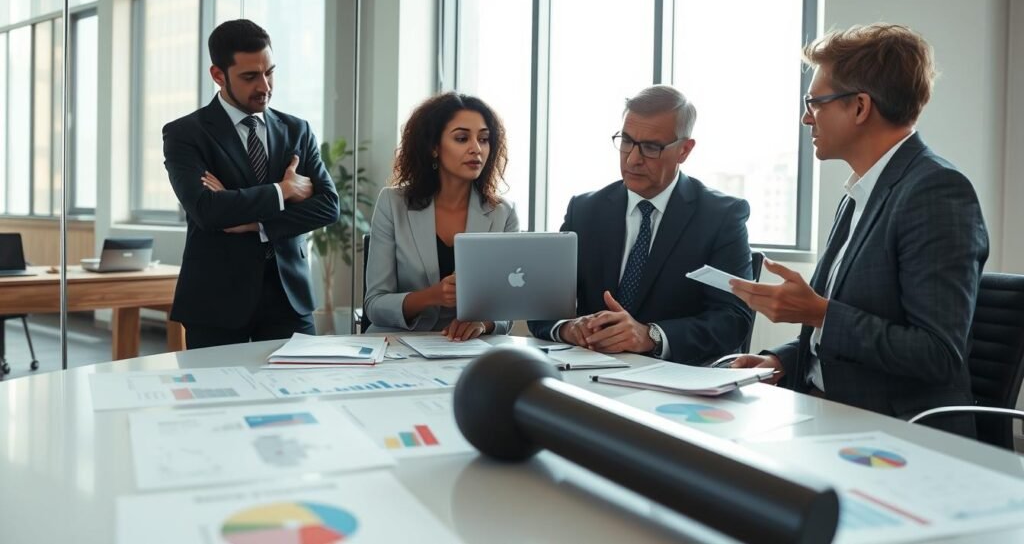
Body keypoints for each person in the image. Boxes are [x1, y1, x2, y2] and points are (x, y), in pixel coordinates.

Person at [730, 24, 988, 437]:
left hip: (895, 435)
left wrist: (818, 312)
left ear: (860, 107)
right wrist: (779, 361)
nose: (805, 116)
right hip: (827, 414)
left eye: (815, 102)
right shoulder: (862, 191)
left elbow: (937, 353)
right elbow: (836, 338)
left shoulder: (935, 192)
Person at [528, 85, 753, 365]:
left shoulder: (721, 216)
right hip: (587, 370)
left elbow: (732, 320)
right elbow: (541, 302)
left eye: (650, 147)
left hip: (675, 378)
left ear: (684, 150)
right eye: (626, 141)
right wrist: (568, 328)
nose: (633, 159)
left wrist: (650, 336)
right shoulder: (585, 211)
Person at [163, 19, 340, 349]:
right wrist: (283, 191)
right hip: (216, 303)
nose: (265, 86)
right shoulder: (186, 134)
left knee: (293, 399)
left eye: (269, 72)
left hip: (290, 299)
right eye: (250, 77)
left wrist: (256, 223)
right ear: (218, 75)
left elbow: (329, 206)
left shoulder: (296, 130)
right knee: (216, 400)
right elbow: (207, 210)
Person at [364, 92, 519, 340]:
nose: (476, 149)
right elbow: (374, 304)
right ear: (434, 147)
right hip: (398, 346)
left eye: (484, 139)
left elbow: (508, 308)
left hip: (468, 348)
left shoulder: (503, 213)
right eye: (461, 138)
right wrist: (432, 296)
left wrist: (483, 324)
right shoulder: (393, 204)